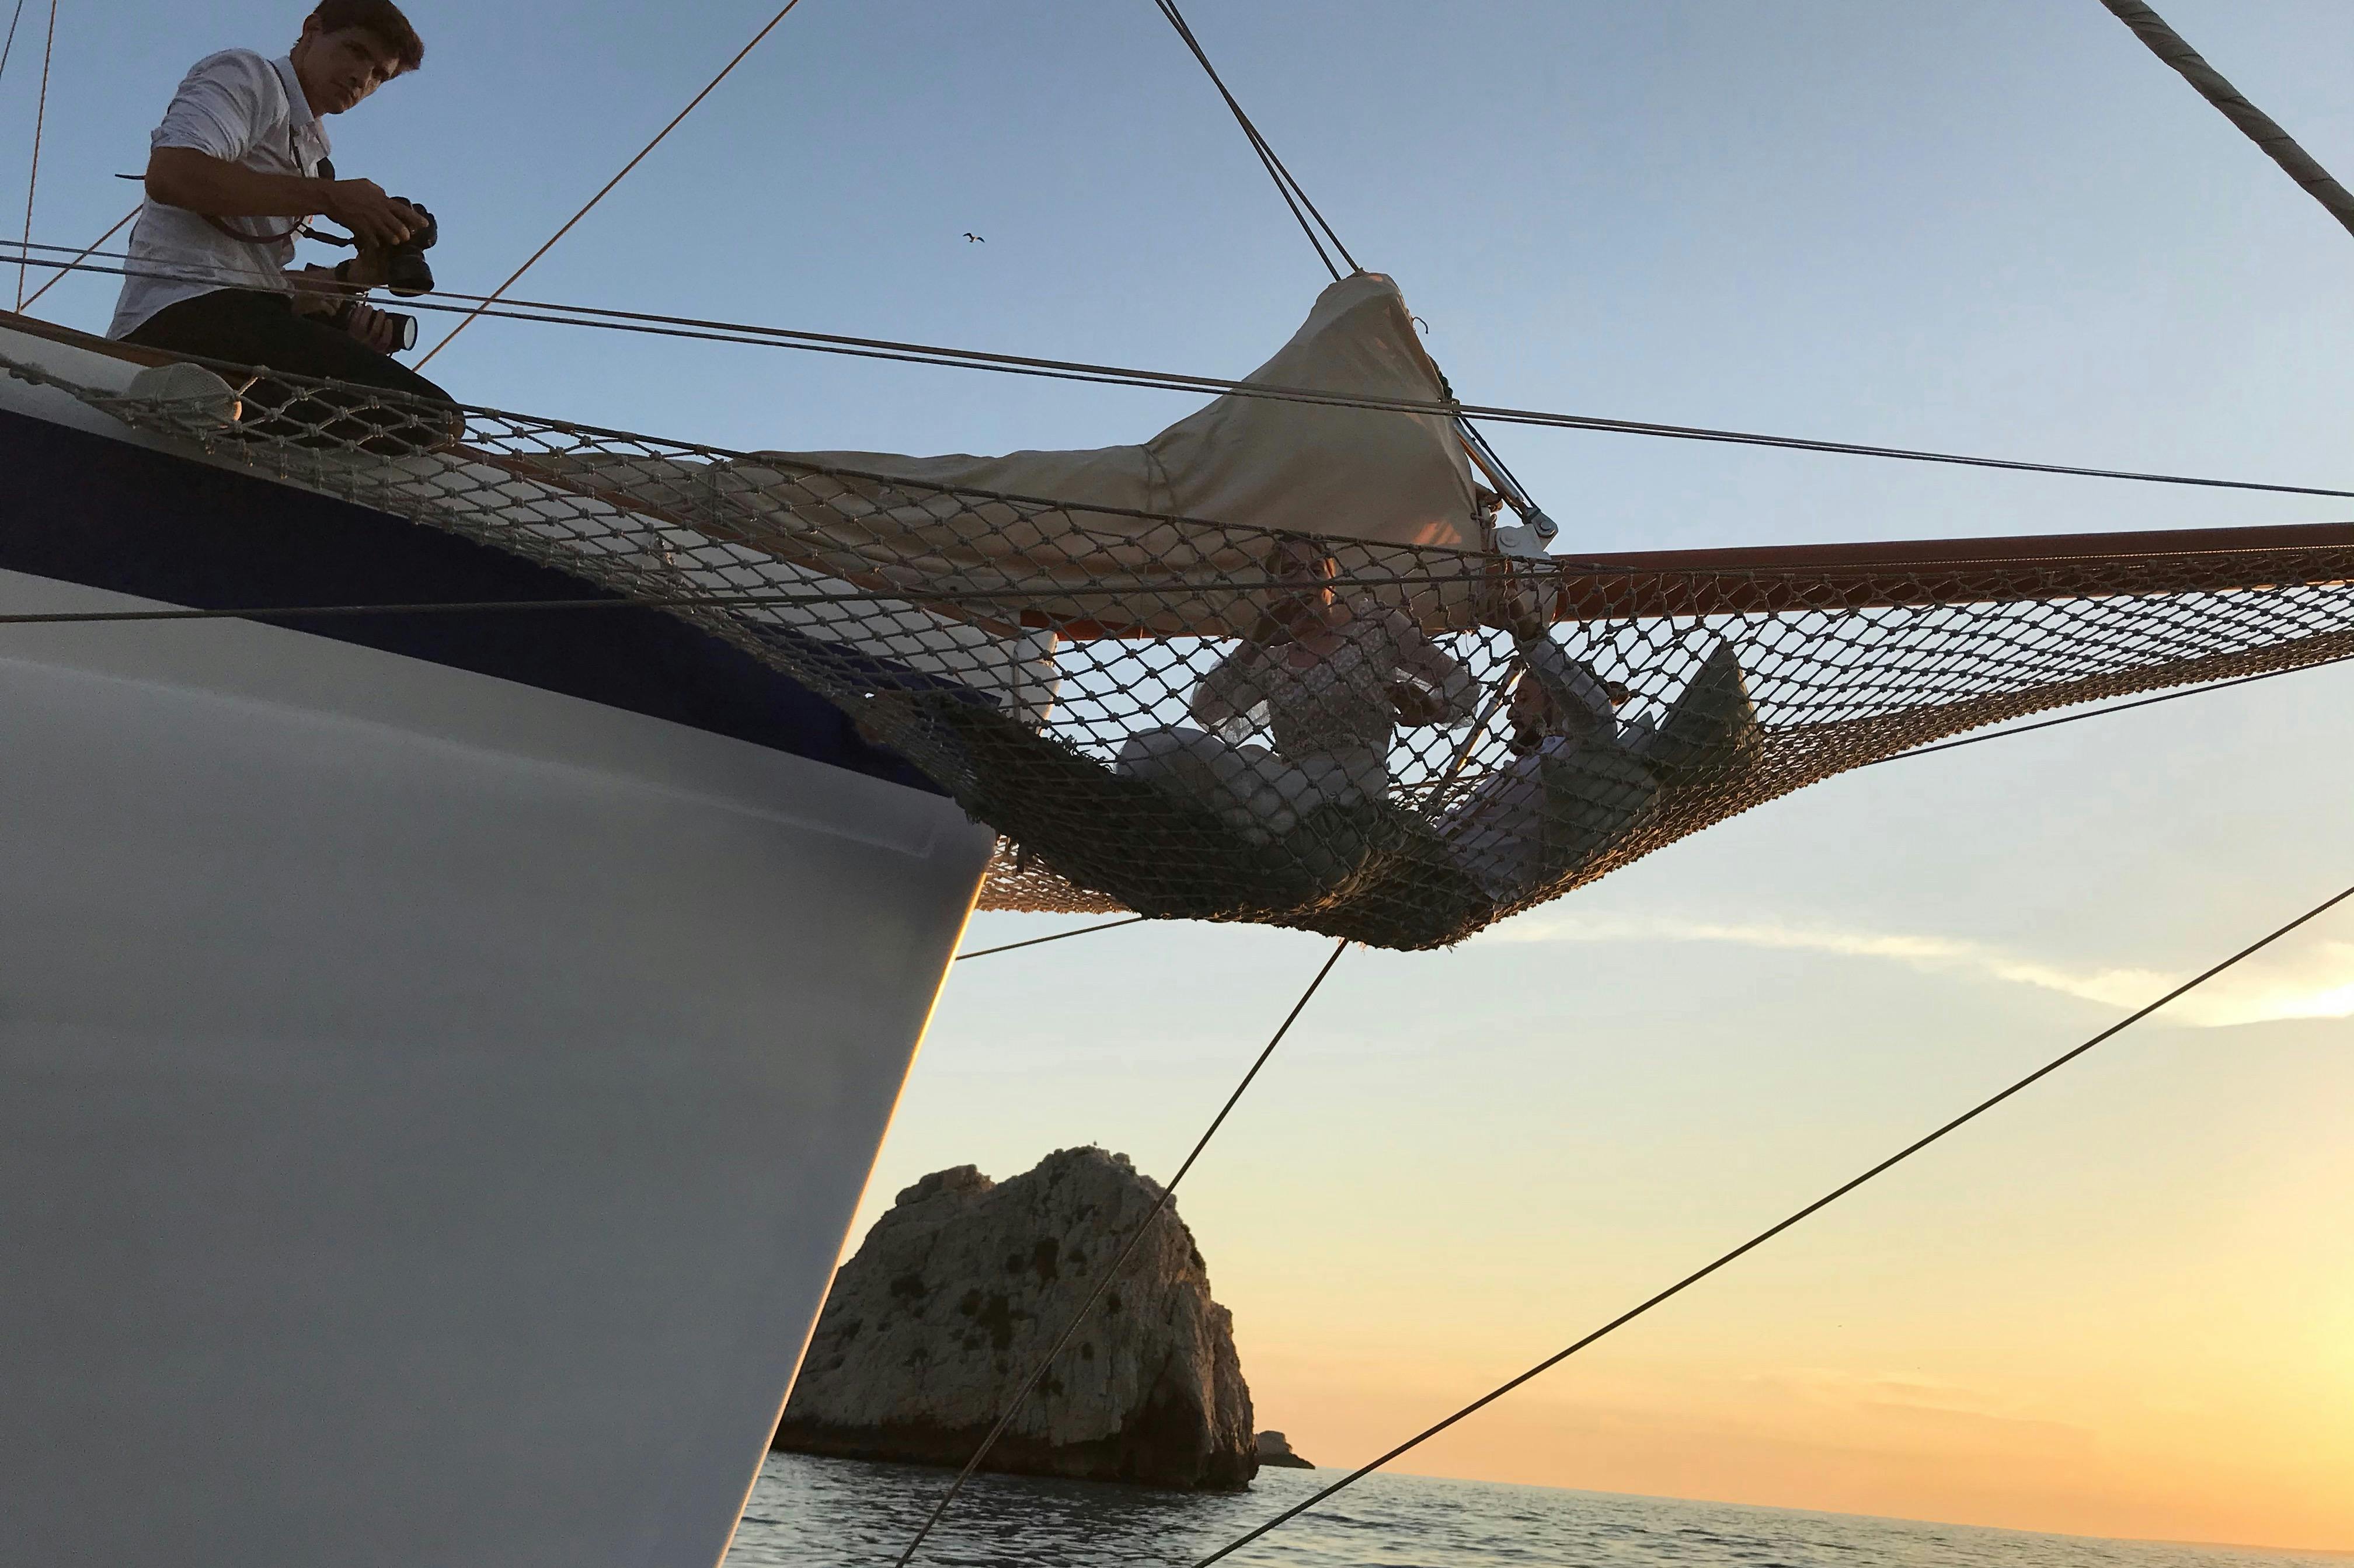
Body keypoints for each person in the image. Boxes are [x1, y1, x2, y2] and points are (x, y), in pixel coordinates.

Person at [106, 1, 452, 443]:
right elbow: (173, 174)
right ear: (312, 30)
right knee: (429, 418)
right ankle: (173, 406)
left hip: (239, 316)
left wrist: (354, 277)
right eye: (356, 51)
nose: (361, 78)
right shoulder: (247, 75)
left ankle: (202, 426)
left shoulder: (312, 154)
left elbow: (258, 278)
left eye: (379, 75)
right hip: (179, 314)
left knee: (412, 419)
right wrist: (332, 198)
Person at [1117, 538, 1478, 845]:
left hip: (1354, 795)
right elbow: (1207, 712)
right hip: (1286, 788)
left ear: (1332, 582)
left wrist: (1432, 708)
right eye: (1291, 572)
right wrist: (1254, 644)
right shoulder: (1271, 656)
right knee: (1150, 747)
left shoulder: (1375, 626)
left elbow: (1463, 685)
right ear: (1272, 592)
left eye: (1317, 570)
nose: (1306, 580)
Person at [1437, 636, 1660, 902]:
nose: (1511, 713)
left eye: (1523, 699)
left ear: (1557, 701)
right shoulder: (1531, 762)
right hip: (1429, 866)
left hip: (1456, 889)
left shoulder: (1573, 756)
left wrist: (1530, 635)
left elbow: (1597, 715)